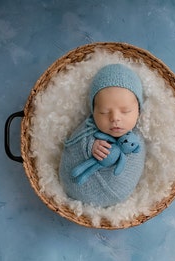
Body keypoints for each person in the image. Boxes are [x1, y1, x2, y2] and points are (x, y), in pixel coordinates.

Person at [59, 64, 146, 207]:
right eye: (104, 112)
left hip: (117, 191)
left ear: (138, 111)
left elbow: (135, 164)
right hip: (75, 186)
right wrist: (90, 146)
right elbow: (72, 145)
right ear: (93, 112)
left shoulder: (136, 139)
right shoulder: (87, 129)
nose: (115, 118)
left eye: (125, 111)